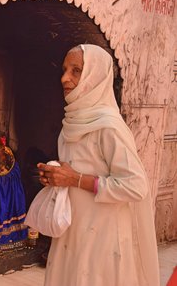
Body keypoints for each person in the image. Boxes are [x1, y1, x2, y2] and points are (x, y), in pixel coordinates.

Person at [37, 44, 160, 286]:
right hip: (72, 235)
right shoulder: (70, 125)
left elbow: (136, 186)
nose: (65, 78)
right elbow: (74, 173)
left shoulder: (109, 127)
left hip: (103, 240)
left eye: (76, 71)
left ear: (96, 76)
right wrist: (56, 178)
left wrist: (75, 179)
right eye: (64, 70)